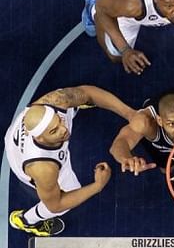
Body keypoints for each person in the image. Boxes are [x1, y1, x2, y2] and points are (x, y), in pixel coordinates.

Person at [5, 86, 135, 236]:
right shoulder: (44, 168)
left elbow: (87, 92)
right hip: (21, 158)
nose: (63, 129)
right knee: (70, 193)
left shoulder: (55, 101)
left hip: (16, 134)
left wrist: (130, 114)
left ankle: (73, 108)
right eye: (54, 131)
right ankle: (26, 221)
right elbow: (56, 205)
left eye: (59, 121)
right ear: (39, 138)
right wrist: (98, 185)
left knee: (73, 98)